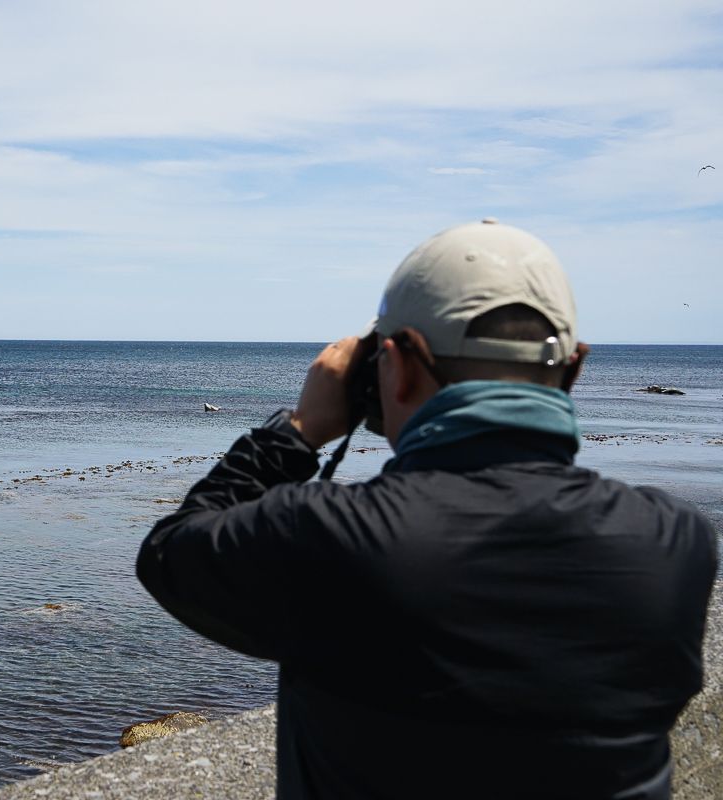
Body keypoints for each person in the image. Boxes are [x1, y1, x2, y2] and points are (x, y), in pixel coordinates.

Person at [136, 218, 717, 800]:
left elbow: (172, 552)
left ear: (401, 362)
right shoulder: (674, 542)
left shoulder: (334, 540)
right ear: (573, 368)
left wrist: (300, 431)